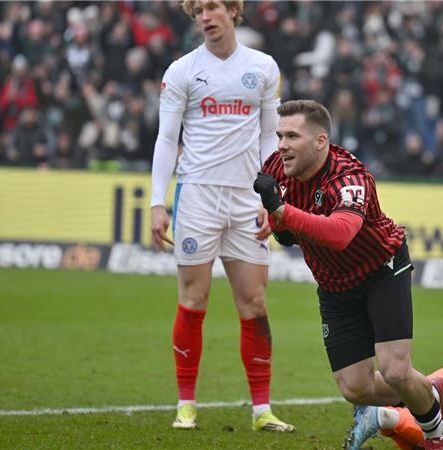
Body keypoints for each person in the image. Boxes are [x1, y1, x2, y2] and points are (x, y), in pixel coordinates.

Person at [253, 99, 443, 449]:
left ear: (320, 141)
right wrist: (273, 218)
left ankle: (438, 434)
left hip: (382, 270)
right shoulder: (276, 165)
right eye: (279, 135)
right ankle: (429, 392)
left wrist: (279, 210)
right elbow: (285, 233)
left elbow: (340, 233)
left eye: (292, 136)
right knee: (355, 388)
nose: (282, 145)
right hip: (334, 284)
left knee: (394, 370)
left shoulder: (350, 176)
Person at [149, 0, 294, 433]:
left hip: (247, 200)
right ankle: (186, 404)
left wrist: (275, 200)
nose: (206, 17)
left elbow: (272, 137)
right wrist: (159, 202)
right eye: (198, 12)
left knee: (254, 302)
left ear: (233, 10)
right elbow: (165, 139)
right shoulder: (181, 71)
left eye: (213, 8)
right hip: (197, 197)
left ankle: (262, 410)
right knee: (194, 300)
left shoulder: (264, 68)